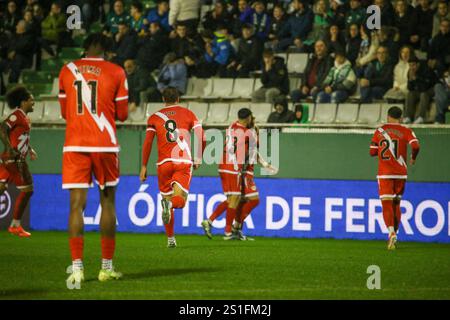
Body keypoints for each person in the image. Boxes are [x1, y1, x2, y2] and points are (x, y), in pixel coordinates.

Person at [58, 33, 129, 285]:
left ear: (85, 48)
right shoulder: (117, 71)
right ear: (107, 50)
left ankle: (77, 269)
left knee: (76, 205)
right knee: (107, 203)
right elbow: (122, 115)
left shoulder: (67, 70)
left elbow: (65, 112)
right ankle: (105, 268)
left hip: (75, 145)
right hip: (105, 146)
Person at [140, 87, 205, 248]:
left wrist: (143, 166)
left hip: (163, 164)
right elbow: (201, 137)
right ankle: (168, 206)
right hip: (182, 161)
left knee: (166, 199)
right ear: (178, 98)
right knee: (180, 201)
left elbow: (148, 142)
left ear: (163, 99)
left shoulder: (154, 118)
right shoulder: (188, 114)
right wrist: (198, 157)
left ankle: (170, 239)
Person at [201, 109, 275, 240]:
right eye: (252, 118)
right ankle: (229, 230)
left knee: (234, 199)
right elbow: (252, 152)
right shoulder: (249, 133)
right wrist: (264, 164)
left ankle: (215, 223)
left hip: (223, 164)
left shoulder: (231, 127)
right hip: (235, 167)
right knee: (239, 198)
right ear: (248, 119)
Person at [370, 106, 420, 250]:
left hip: (385, 173)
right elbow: (416, 146)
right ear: (401, 117)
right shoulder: (406, 130)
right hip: (400, 173)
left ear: (388, 116)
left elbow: (372, 152)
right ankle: (395, 235)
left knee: (386, 204)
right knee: (396, 203)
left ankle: (391, 232)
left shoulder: (379, 131)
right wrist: (413, 157)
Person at [0, 86, 37, 238]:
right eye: (31, 101)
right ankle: (15, 225)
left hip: (10, 158)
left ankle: (15, 225)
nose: (33, 103)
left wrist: (30, 149)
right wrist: (10, 148)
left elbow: (20, 137)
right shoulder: (16, 115)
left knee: (1, 187)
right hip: (14, 159)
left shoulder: (26, 118)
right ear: (23, 102)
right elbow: (2, 128)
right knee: (28, 190)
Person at [403, 56, 438, 124]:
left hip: (431, 89)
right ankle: (408, 117)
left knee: (423, 94)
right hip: (419, 90)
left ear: (418, 64)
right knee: (410, 94)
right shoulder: (410, 72)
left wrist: (416, 79)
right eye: (410, 65)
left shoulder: (426, 70)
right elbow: (410, 88)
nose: (412, 67)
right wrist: (410, 80)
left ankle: (421, 117)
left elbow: (425, 87)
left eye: (413, 65)